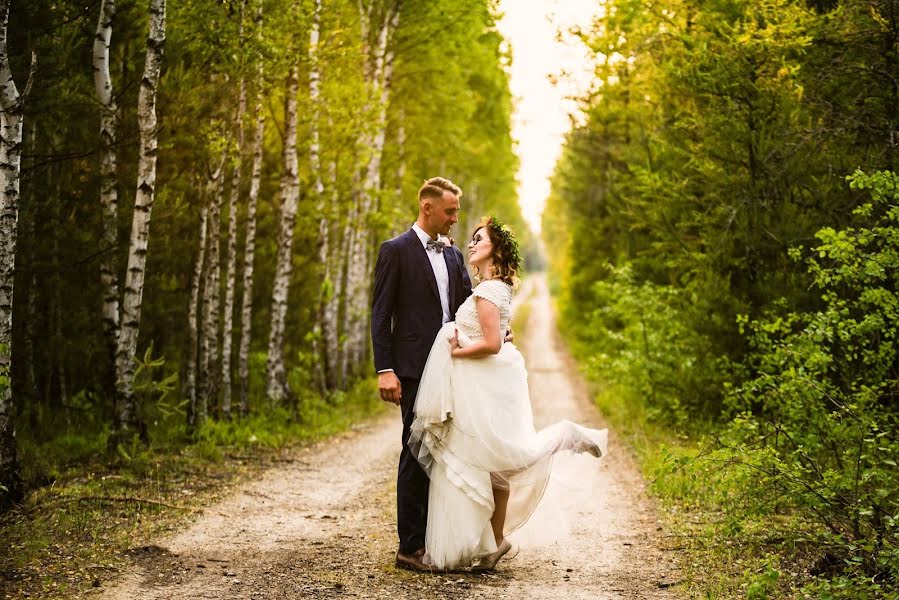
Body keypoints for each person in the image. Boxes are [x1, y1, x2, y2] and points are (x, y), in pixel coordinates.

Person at [408, 216, 608, 572]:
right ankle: (495, 543)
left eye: (478, 239)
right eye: (470, 239)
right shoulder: (493, 286)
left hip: (484, 380)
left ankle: (565, 434)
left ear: (495, 250)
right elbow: (497, 335)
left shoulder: (487, 290)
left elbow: (491, 344)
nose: (470, 244)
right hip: (490, 380)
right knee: (494, 462)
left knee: (503, 455)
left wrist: (456, 350)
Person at [370, 177, 473, 572]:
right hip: (413, 370)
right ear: (427, 208)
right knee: (416, 450)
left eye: (457, 212)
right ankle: (409, 548)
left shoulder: (453, 255)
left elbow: (463, 308)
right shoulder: (395, 251)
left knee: (448, 451)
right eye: (450, 212)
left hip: (453, 367)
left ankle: (437, 541)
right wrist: (386, 370)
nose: (455, 219)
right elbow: (381, 316)